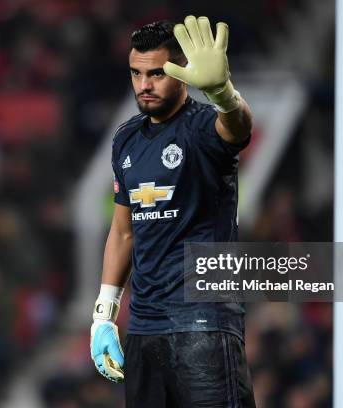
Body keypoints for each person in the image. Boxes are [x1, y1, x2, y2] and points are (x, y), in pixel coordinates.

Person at [90, 16, 256, 407]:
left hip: (203, 323)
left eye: (156, 74)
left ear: (182, 74)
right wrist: (104, 313)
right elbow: (123, 232)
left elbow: (237, 129)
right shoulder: (126, 139)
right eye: (136, 73)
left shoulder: (201, 128)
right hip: (145, 330)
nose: (143, 85)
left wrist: (224, 95)